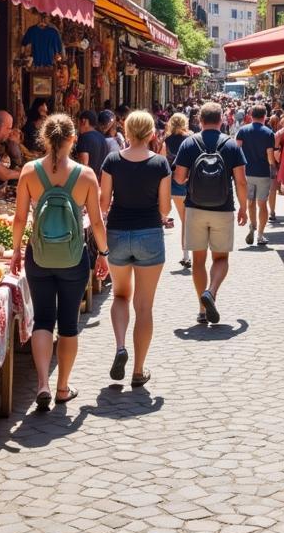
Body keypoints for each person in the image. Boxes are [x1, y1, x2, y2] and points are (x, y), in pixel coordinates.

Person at [10, 114, 109, 410]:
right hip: (73, 257)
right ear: (72, 139)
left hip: (38, 256)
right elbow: (97, 223)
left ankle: (41, 384)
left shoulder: (29, 171)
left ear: (43, 138)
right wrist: (103, 254)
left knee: (42, 319)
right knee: (68, 323)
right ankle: (62, 387)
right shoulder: (86, 175)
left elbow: (18, 218)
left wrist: (16, 250)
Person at [99, 110, 171, 388]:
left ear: (126, 132)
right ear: (153, 134)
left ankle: (120, 346)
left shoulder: (112, 160)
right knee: (144, 306)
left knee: (119, 296)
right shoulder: (160, 164)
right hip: (150, 234)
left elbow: (104, 204)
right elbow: (164, 209)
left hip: (117, 232)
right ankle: (138, 370)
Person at [173, 101, 248, 325]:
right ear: (222, 120)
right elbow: (241, 181)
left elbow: (178, 178)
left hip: (195, 207)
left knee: (198, 261)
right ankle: (212, 292)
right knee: (221, 258)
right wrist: (244, 207)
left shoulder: (189, 143)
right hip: (223, 209)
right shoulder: (231, 145)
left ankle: (201, 310)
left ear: (200, 121)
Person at [236, 104, 276, 246]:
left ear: (251, 115)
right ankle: (260, 234)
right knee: (262, 204)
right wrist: (273, 167)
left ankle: (252, 227)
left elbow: (237, 150)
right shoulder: (268, 133)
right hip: (262, 172)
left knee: (250, 202)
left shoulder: (242, 131)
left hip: (246, 172)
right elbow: (270, 155)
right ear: (265, 116)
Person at [165, 112, 192, 266]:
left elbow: (163, 162)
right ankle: (187, 254)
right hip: (188, 181)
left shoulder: (167, 141)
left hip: (173, 184)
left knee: (182, 219)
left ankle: (186, 255)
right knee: (187, 220)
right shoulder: (189, 139)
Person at [75, 109, 109, 179]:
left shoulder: (84, 137)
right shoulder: (102, 138)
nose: (77, 127)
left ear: (84, 121)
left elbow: (83, 164)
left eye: (78, 123)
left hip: (87, 181)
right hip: (100, 182)